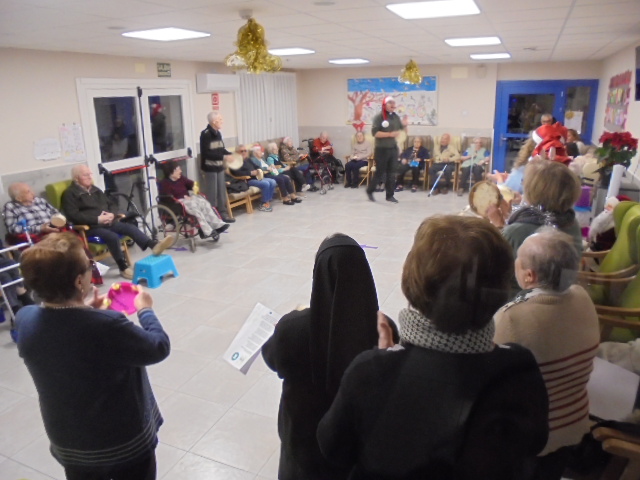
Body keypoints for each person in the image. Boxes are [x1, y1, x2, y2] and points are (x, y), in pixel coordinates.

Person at [317, 216, 549, 479]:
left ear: (412, 279)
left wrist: (385, 364)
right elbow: (535, 442)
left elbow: (333, 449)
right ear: (501, 287)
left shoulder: (369, 371)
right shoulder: (518, 367)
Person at [15, 232, 169, 480]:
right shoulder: (108, 325)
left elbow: (67, 335)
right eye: (89, 265)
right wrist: (146, 310)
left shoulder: (25, 319)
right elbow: (158, 347)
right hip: (122, 444)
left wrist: (86, 310)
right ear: (79, 281)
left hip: (71, 444)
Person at [262, 234, 379, 480]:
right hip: (353, 451)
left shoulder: (294, 328)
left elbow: (272, 358)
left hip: (303, 449)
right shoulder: (383, 329)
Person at [494, 228, 600, 480]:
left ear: (528, 275)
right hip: (574, 425)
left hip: (533, 436)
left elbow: (489, 378)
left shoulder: (512, 317)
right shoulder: (582, 297)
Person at [62, 165, 174, 279]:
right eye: (86, 175)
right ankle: (123, 267)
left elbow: (112, 204)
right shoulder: (70, 194)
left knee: (129, 227)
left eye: (90, 174)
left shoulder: (95, 190)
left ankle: (154, 246)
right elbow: (73, 215)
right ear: (76, 178)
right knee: (112, 236)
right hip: (90, 227)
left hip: (107, 222)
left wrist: (112, 214)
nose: (90, 177)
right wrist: (97, 219)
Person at [158, 161, 229, 241]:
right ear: (171, 172)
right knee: (194, 207)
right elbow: (166, 198)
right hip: (177, 204)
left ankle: (217, 224)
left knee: (204, 202)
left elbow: (192, 184)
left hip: (188, 199)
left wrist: (195, 188)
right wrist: (182, 198)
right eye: (178, 169)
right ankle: (206, 231)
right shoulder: (164, 183)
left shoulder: (181, 178)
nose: (180, 171)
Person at [366, 96, 408, 203]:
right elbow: (375, 133)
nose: (393, 105)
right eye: (390, 103)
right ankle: (370, 190)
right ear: (384, 105)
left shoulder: (395, 117)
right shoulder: (379, 117)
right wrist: (390, 134)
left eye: (393, 103)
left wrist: (405, 125)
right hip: (381, 149)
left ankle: (390, 196)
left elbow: (402, 130)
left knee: (392, 173)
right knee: (380, 172)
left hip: (393, 149)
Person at [200, 111, 236, 223]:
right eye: (220, 119)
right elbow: (206, 154)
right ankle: (212, 217)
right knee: (212, 194)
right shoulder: (205, 134)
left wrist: (230, 154)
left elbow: (221, 149)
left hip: (219, 167)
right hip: (210, 168)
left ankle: (223, 214)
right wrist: (223, 157)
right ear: (214, 121)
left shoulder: (218, 133)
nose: (222, 121)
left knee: (221, 192)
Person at [230, 145, 277, 212]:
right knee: (266, 184)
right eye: (241, 151)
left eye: (245, 151)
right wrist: (250, 173)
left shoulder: (248, 159)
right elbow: (236, 173)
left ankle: (267, 201)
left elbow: (256, 166)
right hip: (247, 180)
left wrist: (258, 170)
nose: (244, 152)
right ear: (237, 152)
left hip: (256, 177)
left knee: (272, 181)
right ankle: (263, 204)